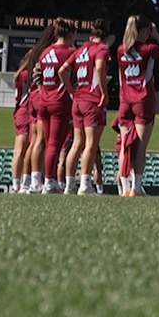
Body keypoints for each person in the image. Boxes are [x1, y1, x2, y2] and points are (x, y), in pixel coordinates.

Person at [115, 15, 159, 196]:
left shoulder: (120, 50)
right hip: (143, 101)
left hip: (124, 102)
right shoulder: (149, 48)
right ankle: (136, 189)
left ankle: (125, 188)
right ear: (144, 31)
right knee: (140, 148)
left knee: (126, 146)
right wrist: (158, 37)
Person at [60, 19, 109, 195]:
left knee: (77, 144)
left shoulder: (80, 49)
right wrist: (104, 92)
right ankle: (85, 184)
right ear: (105, 38)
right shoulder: (102, 49)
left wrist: (71, 89)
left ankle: (68, 185)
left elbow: (61, 70)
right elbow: (100, 67)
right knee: (91, 143)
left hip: (78, 100)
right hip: (92, 100)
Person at [36, 19, 77, 194]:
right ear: (69, 35)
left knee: (48, 144)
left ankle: (47, 181)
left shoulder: (45, 52)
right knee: (54, 144)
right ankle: (49, 183)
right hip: (59, 102)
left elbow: (38, 75)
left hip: (44, 101)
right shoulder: (70, 52)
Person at [11, 29, 50, 194]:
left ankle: (18, 182)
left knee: (24, 147)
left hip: (21, 110)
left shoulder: (19, 74)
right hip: (25, 110)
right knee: (24, 147)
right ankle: (18, 183)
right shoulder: (26, 74)